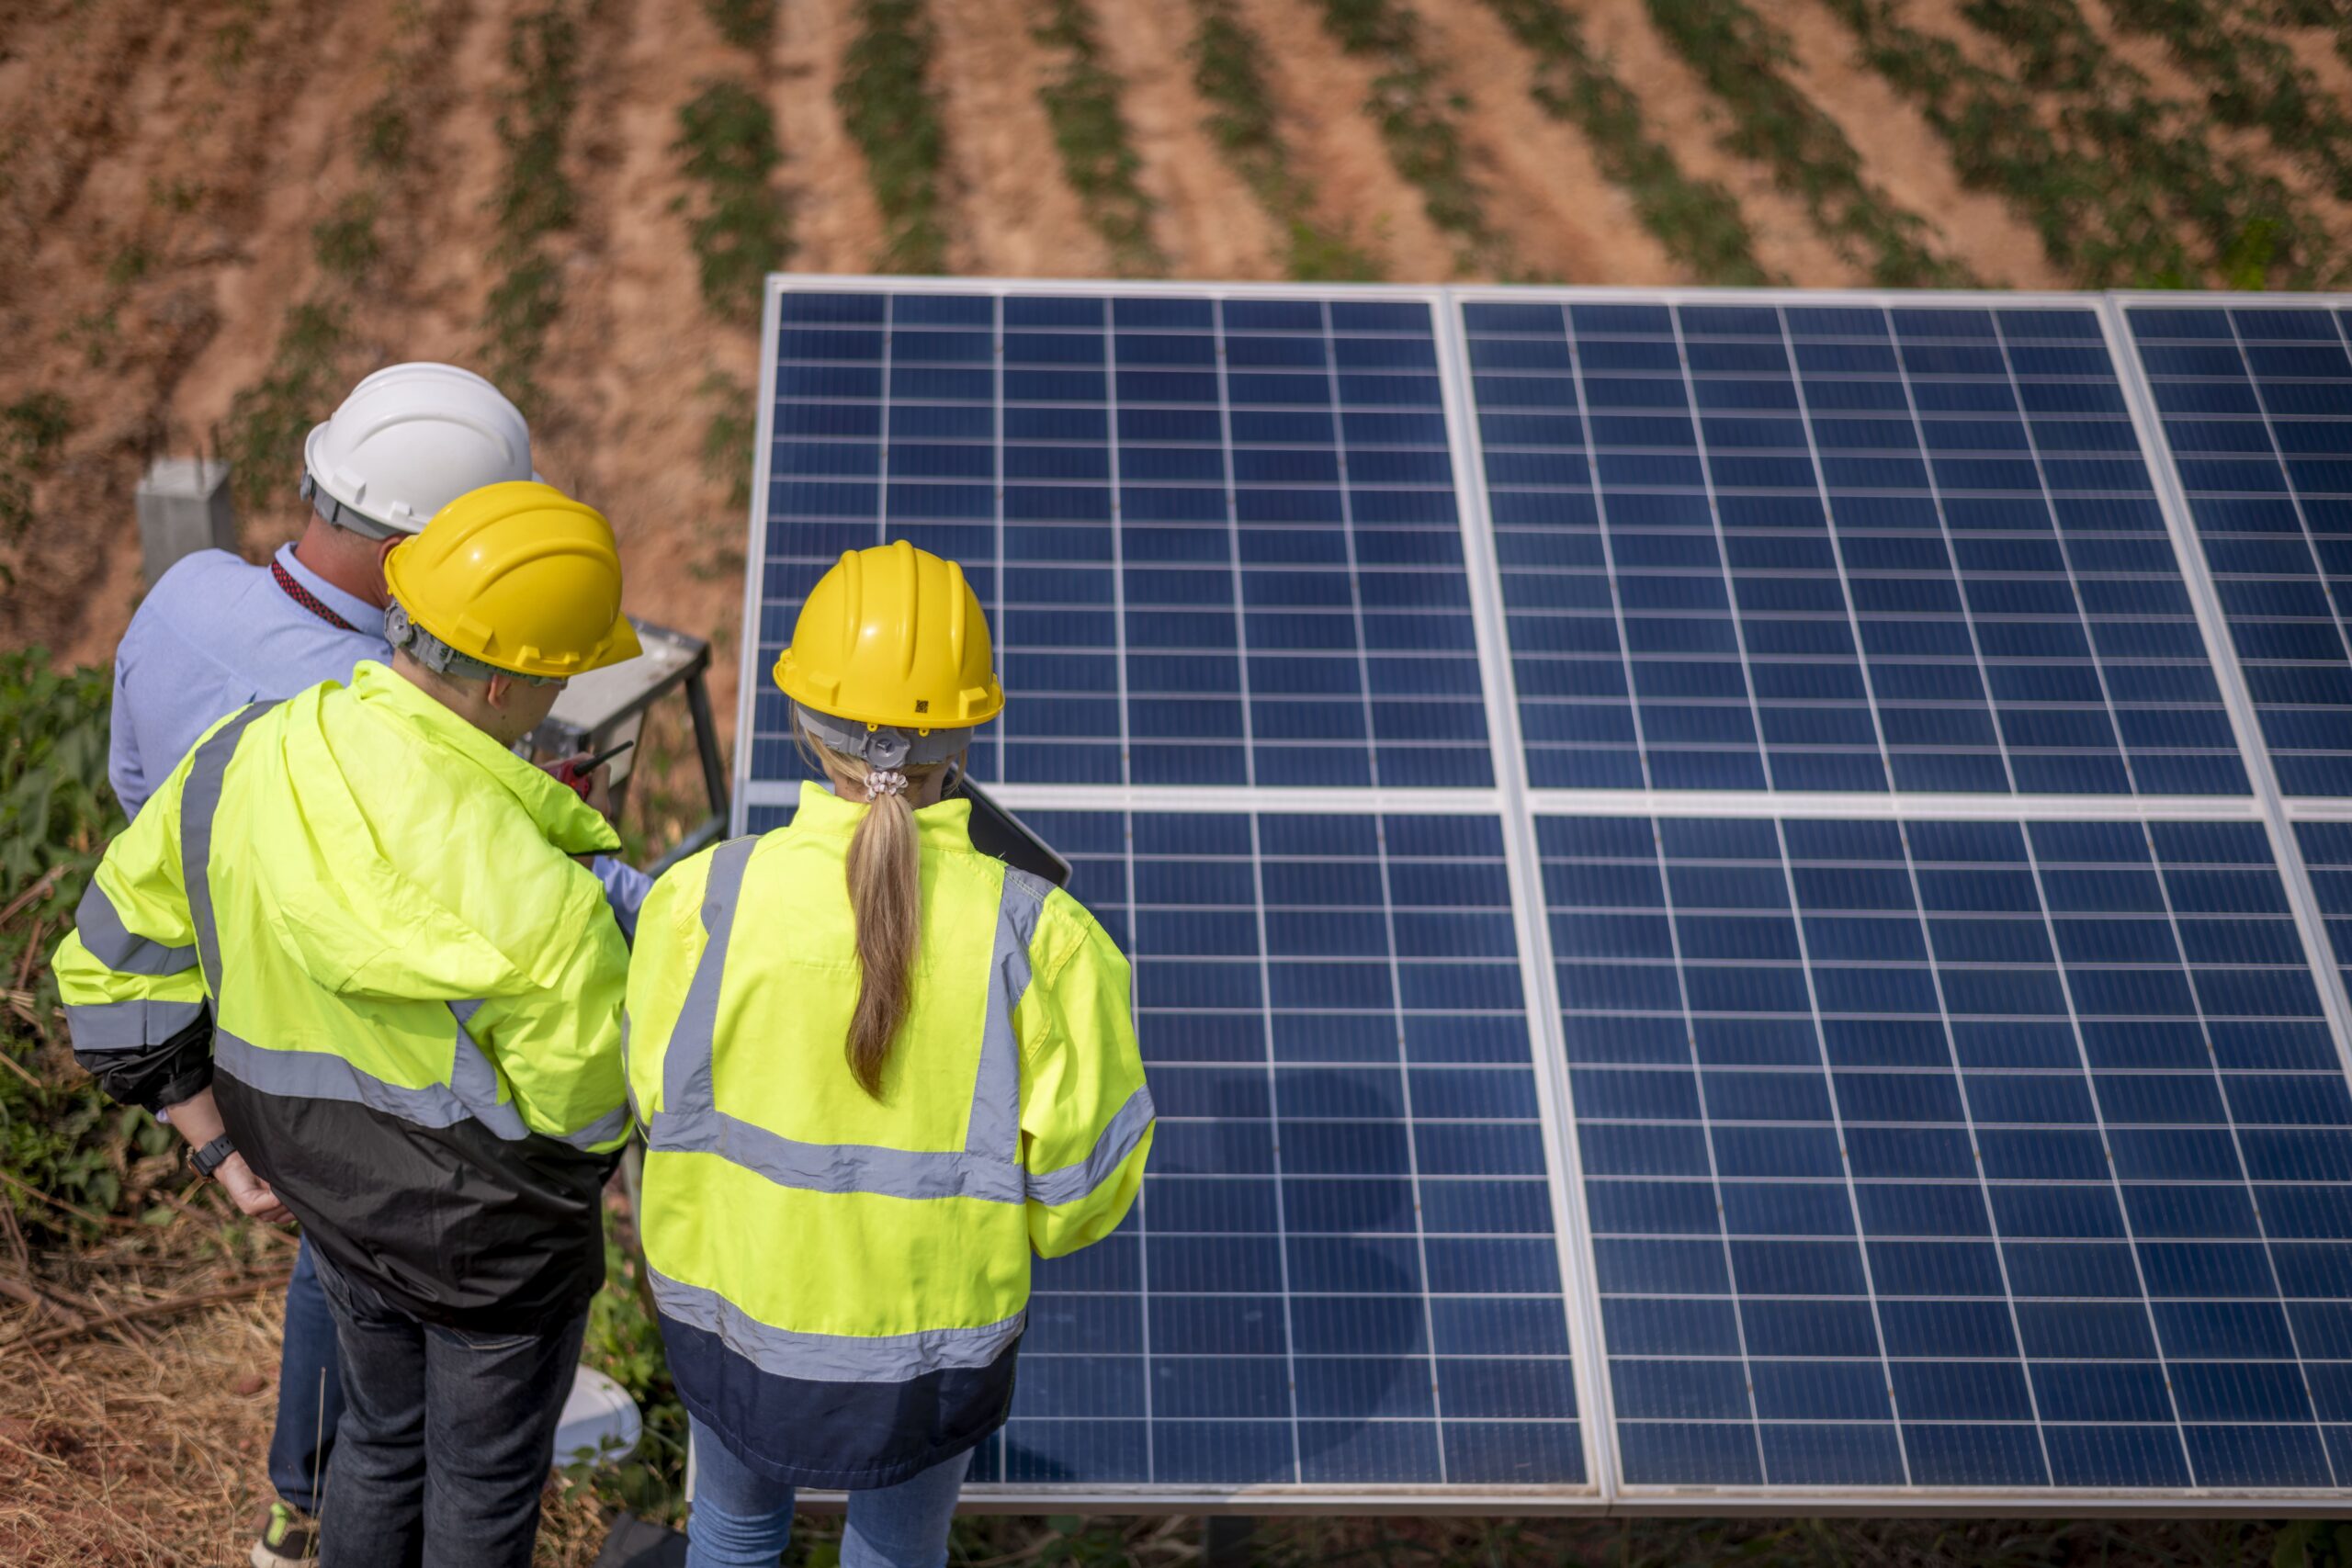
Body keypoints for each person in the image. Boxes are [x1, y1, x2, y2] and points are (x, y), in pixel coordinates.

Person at [104, 364, 650, 1565]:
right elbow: (590, 1107)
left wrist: (212, 1134)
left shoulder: (235, 723)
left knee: (380, 1438)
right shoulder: (536, 890)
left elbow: (126, 914)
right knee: (484, 1479)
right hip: (484, 1245)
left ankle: (304, 1524)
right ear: (507, 676)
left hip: (316, 1172)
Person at [624, 540, 1155, 1568]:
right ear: (960, 738)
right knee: (897, 1552)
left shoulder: (705, 900)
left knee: (731, 1530)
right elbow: (1082, 1194)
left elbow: (657, 1101)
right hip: (929, 1355)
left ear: (799, 718)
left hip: (729, 1323)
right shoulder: (1040, 939)